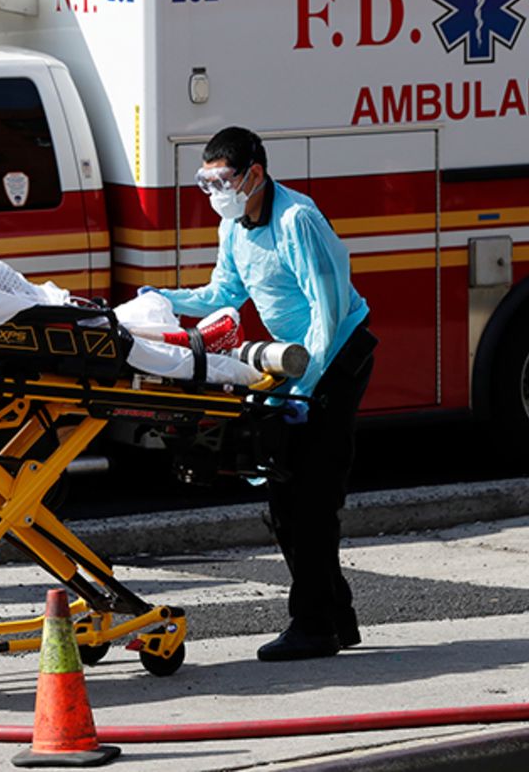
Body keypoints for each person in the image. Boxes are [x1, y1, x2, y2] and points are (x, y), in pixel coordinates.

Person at [152, 126, 377, 662]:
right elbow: (223, 293)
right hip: (296, 362)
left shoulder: (298, 220)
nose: (215, 195)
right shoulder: (235, 227)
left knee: (310, 498)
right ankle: (335, 618)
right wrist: (160, 298)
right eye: (206, 184)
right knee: (284, 498)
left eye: (222, 182)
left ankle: (314, 625)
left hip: (335, 357)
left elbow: (328, 313)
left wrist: (300, 394)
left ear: (254, 174)